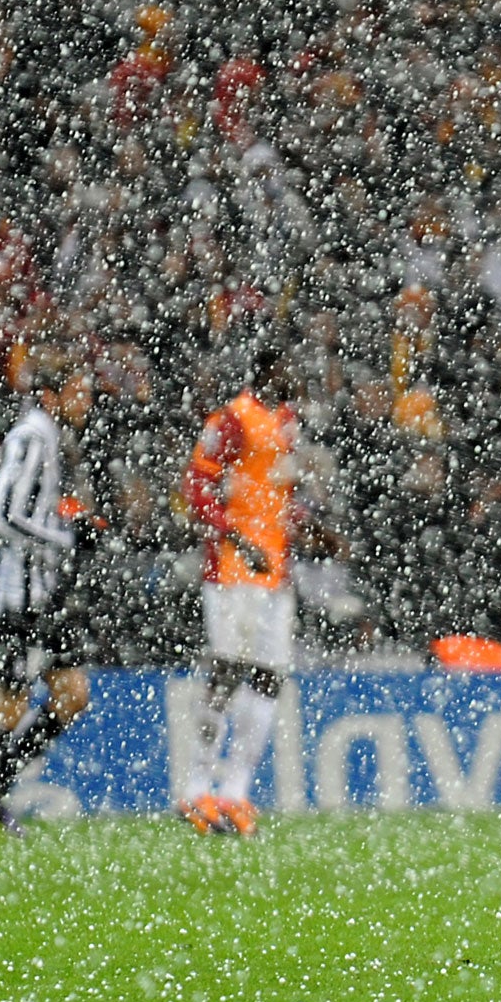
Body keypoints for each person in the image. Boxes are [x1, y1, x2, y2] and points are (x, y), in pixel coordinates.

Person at [0, 359, 95, 836]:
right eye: (77, 389)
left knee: (72, 694)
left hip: (41, 597)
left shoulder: (51, 438)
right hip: (11, 598)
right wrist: (66, 539)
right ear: (51, 395)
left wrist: (69, 528)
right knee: (8, 707)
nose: (86, 401)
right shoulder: (31, 436)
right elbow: (1, 514)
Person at [176, 334, 304, 837]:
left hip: (275, 571)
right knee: (227, 671)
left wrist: (300, 527)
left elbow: (280, 493)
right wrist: (231, 535)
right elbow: (197, 487)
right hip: (231, 569)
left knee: (269, 675)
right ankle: (195, 786)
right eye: (286, 365)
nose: (294, 375)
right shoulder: (231, 420)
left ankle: (236, 790)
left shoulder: (287, 422)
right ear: (267, 370)